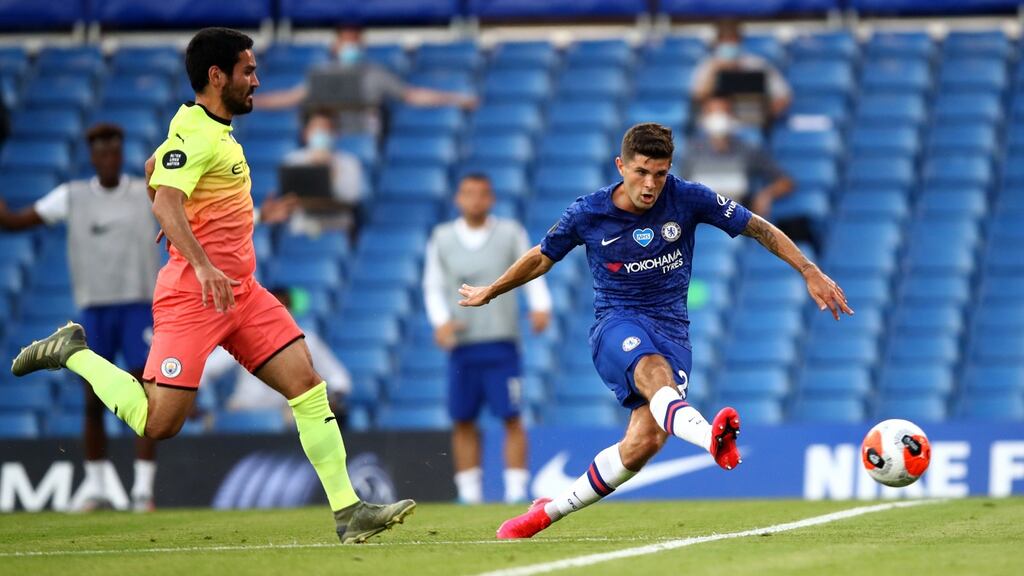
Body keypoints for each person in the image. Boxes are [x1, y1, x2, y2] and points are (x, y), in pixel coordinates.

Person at [11, 27, 415, 543]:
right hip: (192, 295)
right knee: (160, 424)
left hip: (243, 292)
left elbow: (157, 170)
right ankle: (72, 352)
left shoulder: (205, 127)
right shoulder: (198, 134)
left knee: (309, 387)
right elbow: (163, 199)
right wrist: (199, 260)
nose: (257, 79)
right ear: (216, 76)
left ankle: (348, 510)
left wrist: (170, 194)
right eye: (248, 71)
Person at [457, 123, 852, 539]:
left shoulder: (689, 198)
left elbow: (759, 227)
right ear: (620, 166)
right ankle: (710, 440)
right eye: (641, 172)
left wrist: (809, 270)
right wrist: (493, 290)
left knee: (645, 442)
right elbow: (542, 257)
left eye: (660, 174)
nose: (650, 185)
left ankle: (546, 512)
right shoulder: (588, 212)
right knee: (651, 370)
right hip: (617, 321)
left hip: (671, 328)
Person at [0, 123, 160, 512]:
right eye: (101, 152)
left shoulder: (146, 194)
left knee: (146, 396)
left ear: (121, 155)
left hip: (138, 305)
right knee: (92, 400)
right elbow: (16, 222)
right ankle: (97, 484)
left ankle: (142, 491)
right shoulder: (71, 197)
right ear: (92, 156)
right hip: (95, 307)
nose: (108, 158)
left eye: (114, 151)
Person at [423, 173, 552, 505]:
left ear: (491, 199)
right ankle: (469, 494)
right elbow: (433, 284)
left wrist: (540, 305)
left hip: (502, 342)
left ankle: (516, 490)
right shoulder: (442, 237)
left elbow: (532, 266)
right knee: (462, 418)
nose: (475, 201)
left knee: (511, 415)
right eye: (468, 194)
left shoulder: (509, 233)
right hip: (463, 344)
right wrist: (440, 321)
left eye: (482, 194)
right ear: (458, 199)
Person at [256, 25, 477, 134]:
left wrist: (456, 99)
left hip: (365, 139)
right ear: (336, 46)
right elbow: (290, 97)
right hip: (332, 138)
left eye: (355, 42)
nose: (350, 47)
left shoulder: (375, 74)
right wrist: (249, 103)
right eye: (346, 42)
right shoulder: (322, 73)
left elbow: (411, 95)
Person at [200, 287, 351, 424]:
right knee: (212, 422)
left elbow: (339, 378)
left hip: (286, 414)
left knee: (304, 419)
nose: (279, 312)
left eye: (284, 307)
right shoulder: (244, 338)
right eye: (273, 307)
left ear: (291, 310)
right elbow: (206, 370)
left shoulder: (307, 341)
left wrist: (333, 397)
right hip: (244, 409)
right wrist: (197, 400)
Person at [682, 98, 794, 223]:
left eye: (723, 112)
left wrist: (766, 195)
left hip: (736, 221)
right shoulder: (691, 151)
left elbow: (785, 181)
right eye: (712, 112)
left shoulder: (748, 149)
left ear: (732, 117)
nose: (718, 117)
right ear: (704, 117)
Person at [690, 19, 791, 127]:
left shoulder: (757, 64)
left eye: (733, 40)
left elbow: (783, 95)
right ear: (718, 43)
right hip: (719, 121)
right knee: (718, 121)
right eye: (725, 40)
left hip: (752, 119)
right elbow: (697, 95)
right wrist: (715, 70)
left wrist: (765, 114)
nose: (730, 45)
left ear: (740, 41)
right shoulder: (708, 66)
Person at [279, 110, 364, 238]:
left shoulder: (349, 163)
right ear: (305, 134)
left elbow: (352, 197)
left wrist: (331, 169)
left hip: (337, 226)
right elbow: (287, 199)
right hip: (303, 226)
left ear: (335, 134)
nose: (321, 132)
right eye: (316, 128)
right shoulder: (293, 161)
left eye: (326, 128)